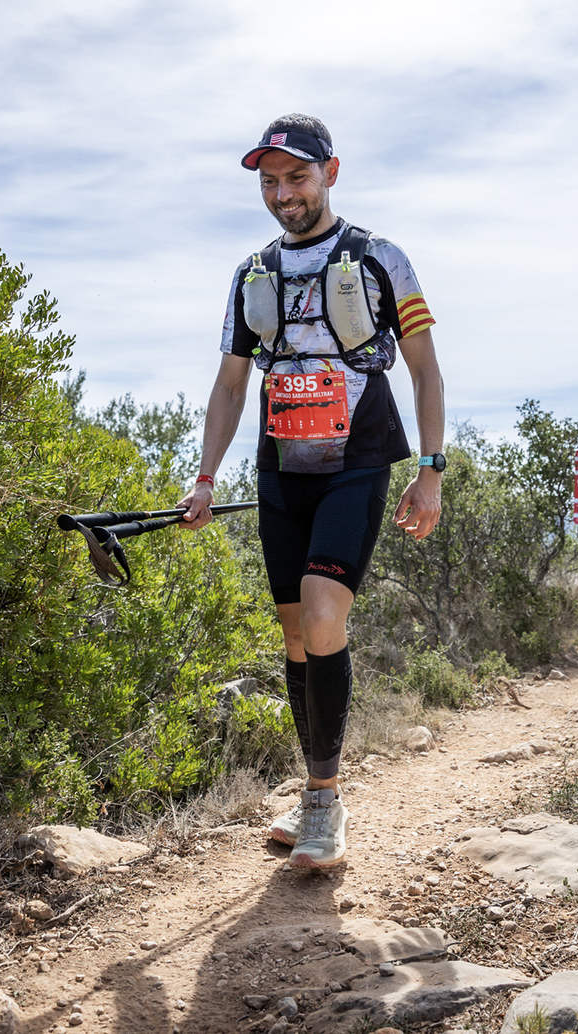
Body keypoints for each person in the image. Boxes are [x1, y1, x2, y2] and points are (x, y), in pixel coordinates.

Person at [178, 114, 446, 870]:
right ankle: (312, 794)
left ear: (330, 172)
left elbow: (425, 369)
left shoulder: (381, 258)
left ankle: (325, 803)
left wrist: (431, 469)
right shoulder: (251, 273)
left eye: (296, 177)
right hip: (281, 464)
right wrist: (204, 479)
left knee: (326, 614)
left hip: (358, 458)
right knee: (296, 635)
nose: (282, 193)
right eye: (269, 181)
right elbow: (230, 386)